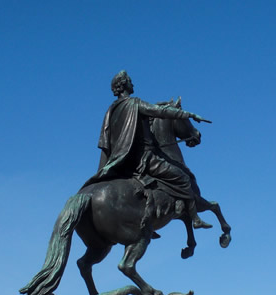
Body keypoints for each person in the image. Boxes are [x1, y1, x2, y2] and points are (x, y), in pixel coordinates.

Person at [82, 70, 212, 230]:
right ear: (123, 85)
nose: (133, 84)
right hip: (144, 159)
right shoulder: (134, 103)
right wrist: (188, 114)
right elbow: (161, 112)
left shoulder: (111, 111)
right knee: (183, 179)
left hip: (123, 162)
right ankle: (195, 219)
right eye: (130, 81)